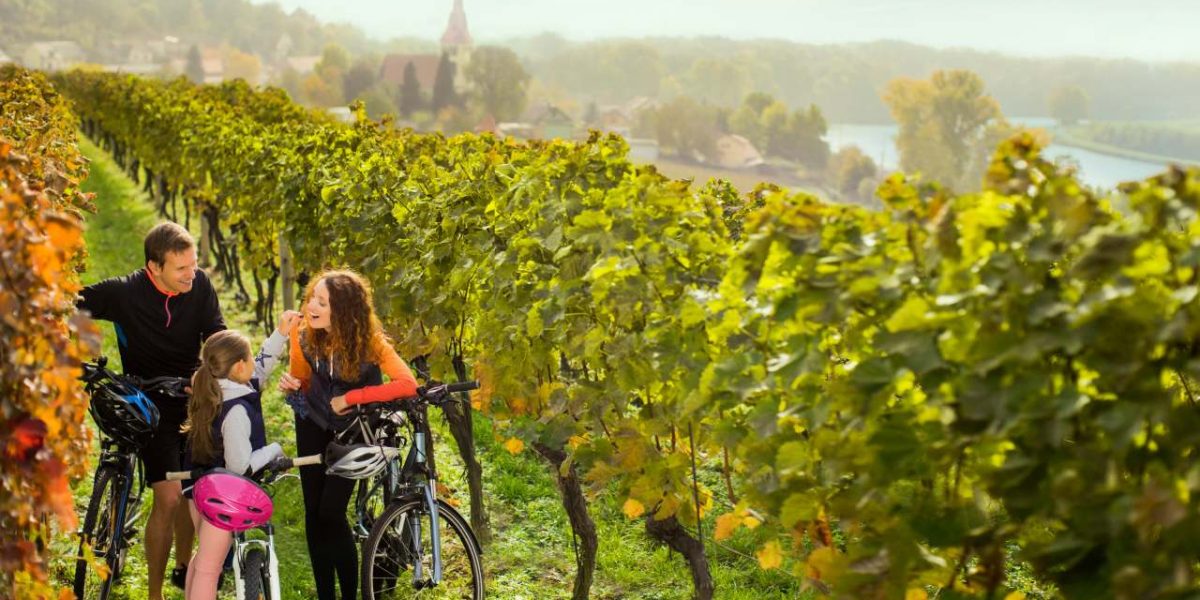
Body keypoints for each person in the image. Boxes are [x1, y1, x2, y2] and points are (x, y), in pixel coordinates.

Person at [77, 222, 225, 599]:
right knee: (170, 495)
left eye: (194, 264)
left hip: (192, 399)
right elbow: (70, 302)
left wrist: (212, 372)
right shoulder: (125, 293)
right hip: (148, 405)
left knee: (193, 489)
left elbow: (216, 333)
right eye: (182, 268)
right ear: (154, 267)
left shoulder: (201, 285)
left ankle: (181, 564)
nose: (192, 273)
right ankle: (155, 592)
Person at [278, 269, 418, 600]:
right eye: (312, 297)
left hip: (356, 430)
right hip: (312, 422)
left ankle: (351, 596)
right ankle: (326, 594)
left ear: (342, 311)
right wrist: (293, 386)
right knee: (313, 512)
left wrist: (352, 398)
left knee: (331, 511)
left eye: (322, 302)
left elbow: (407, 385)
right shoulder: (301, 333)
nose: (311, 305)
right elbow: (303, 380)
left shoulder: (370, 343)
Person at [181, 313, 298, 600]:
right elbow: (240, 465)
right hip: (219, 495)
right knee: (210, 568)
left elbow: (261, 366)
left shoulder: (216, 386)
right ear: (238, 366)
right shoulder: (236, 411)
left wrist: (280, 334)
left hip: (195, 488)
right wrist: (274, 450)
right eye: (249, 357)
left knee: (204, 558)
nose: (254, 364)